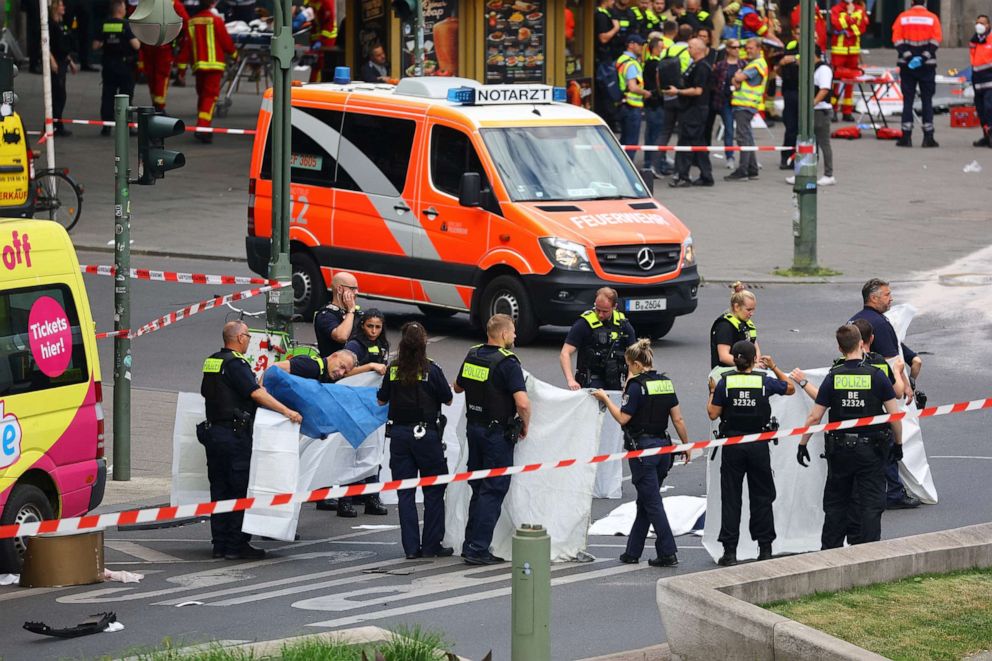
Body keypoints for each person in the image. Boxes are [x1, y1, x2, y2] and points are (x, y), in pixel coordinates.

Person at [790, 317, 906, 546]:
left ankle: (831, 553)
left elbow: (815, 416)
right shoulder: (876, 374)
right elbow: (894, 416)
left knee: (836, 503)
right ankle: (868, 554)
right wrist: (899, 444)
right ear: (861, 344)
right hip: (871, 451)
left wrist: (802, 443)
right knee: (871, 503)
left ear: (839, 347)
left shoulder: (834, 376)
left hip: (840, 451)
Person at [198, 321, 302, 559]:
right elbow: (255, 393)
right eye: (248, 336)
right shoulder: (236, 363)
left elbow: (208, 392)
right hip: (234, 436)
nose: (249, 341)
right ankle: (236, 545)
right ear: (240, 338)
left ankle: (220, 544)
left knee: (219, 490)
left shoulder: (212, 361)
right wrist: (287, 411)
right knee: (238, 490)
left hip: (213, 434)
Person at [592, 339, 689, 567]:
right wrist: (685, 445)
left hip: (643, 452)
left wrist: (606, 398)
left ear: (636, 364)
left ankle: (668, 551)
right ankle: (632, 552)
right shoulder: (666, 382)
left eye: (628, 366)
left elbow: (623, 418)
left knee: (652, 502)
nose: (627, 370)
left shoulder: (636, 387)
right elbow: (678, 419)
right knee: (645, 501)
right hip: (664, 450)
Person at [453, 314, 531, 566]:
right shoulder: (508, 362)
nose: (515, 336)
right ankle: (478, 548)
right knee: (493, 489)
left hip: (474, 429)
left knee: (477, 487)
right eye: (513, 332)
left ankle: (470, 544)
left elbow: (457, 387)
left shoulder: (473, 354)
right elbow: (522, 402)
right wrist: (525, 424)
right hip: (496, 435)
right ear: (504, 334)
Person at [707, 341, 793, 565]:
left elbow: (713, 414)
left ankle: (730, 552)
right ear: (754, 359)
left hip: (733, 445)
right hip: (758, 444)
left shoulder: (725, 382)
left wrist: (713, 391)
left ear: (734, 359)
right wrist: (773, 367)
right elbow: (790, 388)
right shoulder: (763, 380)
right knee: (762, 497)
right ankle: (765, 548)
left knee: (731, 498)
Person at [376, 322, 453, 560]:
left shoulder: (393, 369)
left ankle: (411, 549)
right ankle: (431, 545)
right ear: (424, 343)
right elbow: (448, 400)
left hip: (399, 437)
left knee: (405, 494)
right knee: (433, 491)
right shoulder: (432, 370)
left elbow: (381, 400)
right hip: (427, 436)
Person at [847, 278, 923, 510]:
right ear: (874, 298)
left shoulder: (854, 320)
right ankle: (894, 492)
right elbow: (893, 360)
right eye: (887, 294)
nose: (892, 298)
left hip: (856, 390)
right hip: (879, 392)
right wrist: (907, 385)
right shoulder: (880, 323)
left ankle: (858, 490)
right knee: (887, 439)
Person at [560, 287, 637, 391]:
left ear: (615, 307)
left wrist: (630, 379)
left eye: (605, 311)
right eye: (598, 309)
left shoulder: (623, 325)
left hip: (615, 380)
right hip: (591, 381)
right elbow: (565, 353)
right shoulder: (583, 324)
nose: (600, 314)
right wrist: (570, 380)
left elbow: (635, 356)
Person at [892, 0, 942, 148]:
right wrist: (924, 57)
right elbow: (936, 40)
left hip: (907, 65)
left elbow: (896, 39)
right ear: (924, 3)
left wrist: (909, 57)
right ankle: (928, 137)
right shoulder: (932, 18)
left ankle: (906, 137)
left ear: (912, 2)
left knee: (908, 100)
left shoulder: (903, 17)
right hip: (927, 65)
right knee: (927, 100)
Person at [185, 0, 234, 144]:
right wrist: (234, 54)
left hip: (198, 65)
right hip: (214, 65)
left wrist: (182, 67)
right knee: (210, 97)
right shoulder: (216, 20)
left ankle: (203, 124)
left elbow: (188, 44)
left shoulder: (192, 21)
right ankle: (203, 128)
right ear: (212, 4)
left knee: (202, 95)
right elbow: (225, 41)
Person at [785, 46, 834, 186]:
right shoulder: (810, 68)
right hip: (811, 110)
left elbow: (824, 90)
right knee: (806, 142)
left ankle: (828, 174)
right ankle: (803, 172)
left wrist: (811, 104)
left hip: (820, 111)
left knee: (823, 143)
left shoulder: (823, 69)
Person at [668, 37, 714, 187]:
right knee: (698, 143)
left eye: (690, 47)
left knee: (686, 143)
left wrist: (678, 91)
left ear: (698, 49)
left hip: (695, 110)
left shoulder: (702, 67)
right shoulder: (695, 65)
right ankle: (706, 176)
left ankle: (683, 176)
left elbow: (698, 90)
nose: (688, 50)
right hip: (691, 109)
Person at [93, 0, 140, 136]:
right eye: (124, 7)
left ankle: (106, 126)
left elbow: (95, 45)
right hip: (125, 66)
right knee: (126, 97)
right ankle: (127, 126)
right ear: (120, 9)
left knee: (107, 95)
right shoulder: (126, 25)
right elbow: (136, 45)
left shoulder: (104, 24)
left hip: (108, 65)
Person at [725, 38, 766, 182]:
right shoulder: (754, 63)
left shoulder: (756, 65)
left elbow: (739, 77)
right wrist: (736, 78)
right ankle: (752, 168)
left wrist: (737, 76)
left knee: (743, 138)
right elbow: (734, 79)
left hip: (745, 105)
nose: (748, 50)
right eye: (747, 48)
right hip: (746, 105)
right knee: (748, 137)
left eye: (751, 48)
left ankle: (743, 170)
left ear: (759, 48)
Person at [139, 0, 189, 112]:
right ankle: (159, 108)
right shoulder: (174, 3)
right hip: (164, 46)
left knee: (151, 75)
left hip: (148, 44)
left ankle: (155, 104)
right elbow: (185, 23)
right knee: (161, 76)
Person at [829, 0, 868, 122]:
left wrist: (848, 28)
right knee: (835, 83)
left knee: (851, 82)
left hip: (853, 51)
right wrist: (850, 16)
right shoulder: (836, 9)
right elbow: (837, 25)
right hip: (839, 51)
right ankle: (833, 110)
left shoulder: (860, 9)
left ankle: (847, 111)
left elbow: (861, 29)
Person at [708, 37, 741, 171]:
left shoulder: (742, 64)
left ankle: (730, 157)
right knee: (708, 129)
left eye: (739, 47)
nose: (737, 50)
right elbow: (713, 81)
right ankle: (703, 155)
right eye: (734, 47)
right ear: (728, 49)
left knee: (729, 129)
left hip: (732, 101)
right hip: (718, 99)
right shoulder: (721, 65)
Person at [48, 0, 79, 137]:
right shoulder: (50, 25)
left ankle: (58, 124)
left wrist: (70, 61)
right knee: (57, 94)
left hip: (62, 61)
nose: (64, 7)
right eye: (61, 5)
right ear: (55, 7)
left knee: (61, 95)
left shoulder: (62, 24)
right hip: (56, 62)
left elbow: (63, 45)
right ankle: (52, 124)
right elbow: (45, 44)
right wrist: (52, 60)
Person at [710, 287, 760, 370]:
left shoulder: (746, 323)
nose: (752, 313)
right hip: (724, 372)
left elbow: (755, 348)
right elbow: (724, 356)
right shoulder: (725, 326)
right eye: (748, 310)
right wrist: (749, 366)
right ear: (736, 307)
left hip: (746, 369)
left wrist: (757, 363)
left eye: (753, 309)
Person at [313, 272, 360, 358]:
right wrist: (351, 311)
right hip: (336, 367)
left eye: (357, 289)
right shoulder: (326, 315)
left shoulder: (355, 313)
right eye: (352, 289)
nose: (356, 292)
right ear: (339, 289)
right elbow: (341, 336)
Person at [616, 34, 651, 148]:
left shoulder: (622, 59)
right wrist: (646, 93)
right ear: (631, 45)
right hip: (631, 106)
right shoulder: (630, 63)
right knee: (631, 143)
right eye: (639, 44)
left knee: (624, 140)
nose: (642, 47)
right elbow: (632, 87)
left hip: (623, 104)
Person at [642, 36, 666, 173]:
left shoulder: (648, 63)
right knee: (656, 135)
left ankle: (648, 163)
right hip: (656, 104)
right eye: (662, 48)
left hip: (650, 104)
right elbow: (658, 84)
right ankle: (654, 165)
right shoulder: (656, 65)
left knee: (651, 134)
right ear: (656, 49)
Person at [344, 308, 389, 377]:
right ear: (362, 325)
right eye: (370, 326)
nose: (374, 331)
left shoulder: (383, 344)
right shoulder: (354, 346)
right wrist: (370, 366)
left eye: (378, 327)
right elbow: (345, 373)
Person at [970, 14, 992, 148]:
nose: (979, 25)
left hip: (990, 79)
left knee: (990, 108)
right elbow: (974, 59)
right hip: (977, 79)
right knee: (981, 109)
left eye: (982, 23)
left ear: (988, 25)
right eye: (977, 22)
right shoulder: (975, 40)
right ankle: (986, 135)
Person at [304, 0, 337, 82]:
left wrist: (320, 41)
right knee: (315, 64)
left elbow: (329, 23)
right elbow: (314, 21)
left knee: (321, 64)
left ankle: (317, 83)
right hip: (318, 37)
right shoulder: (310, 2)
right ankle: (313, 82)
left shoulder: (327, 2)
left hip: (328, 37)